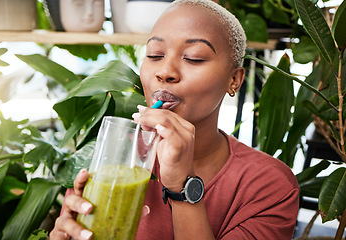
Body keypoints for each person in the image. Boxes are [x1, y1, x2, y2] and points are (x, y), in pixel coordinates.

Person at [50, 0, 300, 239]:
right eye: (155, 55)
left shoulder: (269, 186)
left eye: (193, 57)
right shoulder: (111, 156)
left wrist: (183, 187)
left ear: (233, 79)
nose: (165, 72)